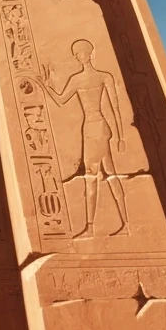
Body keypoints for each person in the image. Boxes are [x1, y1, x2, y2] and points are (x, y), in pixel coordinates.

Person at [35, 40, 129, 238]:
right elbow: (61, 100)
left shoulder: (104, 77)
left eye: (81, 52)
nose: (78, 56)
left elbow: (115, 106)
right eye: (76, 54)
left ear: (90, 53)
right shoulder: (78, 79)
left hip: (99, 126)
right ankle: (98, 226)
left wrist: (120, 135)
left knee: (101, 175)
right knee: (101, 174)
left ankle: (107, 225)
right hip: (89, 128)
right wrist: (47, 86)